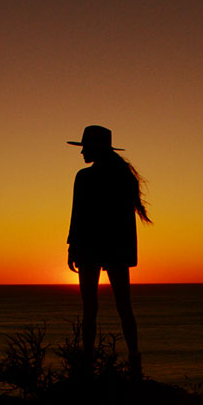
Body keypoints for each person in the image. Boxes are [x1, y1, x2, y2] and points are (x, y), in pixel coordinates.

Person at [66, 125, 152, 379]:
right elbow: (125, 221)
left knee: (89, 307)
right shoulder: (123, 177)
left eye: (85, 148)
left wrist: (73, 247)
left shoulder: (84, 177)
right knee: (123, 306)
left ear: (95, 148)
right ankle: (134, 361)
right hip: (116, 247)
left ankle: (87, 366)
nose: (82, 153)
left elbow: (77, 215)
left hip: (90, 246)